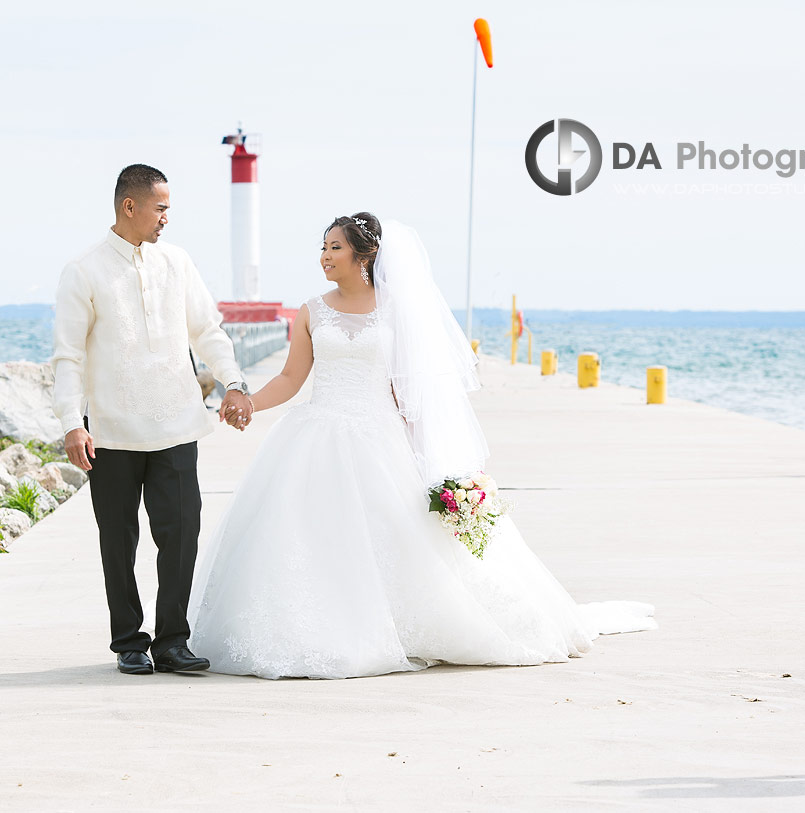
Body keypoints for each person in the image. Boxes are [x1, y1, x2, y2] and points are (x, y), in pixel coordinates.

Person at [189, 213, 656, 679]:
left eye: (335, 248)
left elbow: (411, 391)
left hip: (379, 437)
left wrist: (434, 461)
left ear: (364, 255)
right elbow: (292, 378)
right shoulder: (312, 310)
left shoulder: (397, 307)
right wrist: (250, 402)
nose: (325, 256)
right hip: (316, 435)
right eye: (324, 247)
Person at [51, 164, 255, 676]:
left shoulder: (178, 262)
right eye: (161, 207)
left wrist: (233, 381)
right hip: (112, 434)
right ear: (130, 207)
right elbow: (68, 356)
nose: (167, 217)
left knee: (182, 535)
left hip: (178, 426)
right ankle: (129, 642)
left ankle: (172, 640)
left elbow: (207, 329)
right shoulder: (84, 271)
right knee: (118, 541)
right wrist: (72, 422)